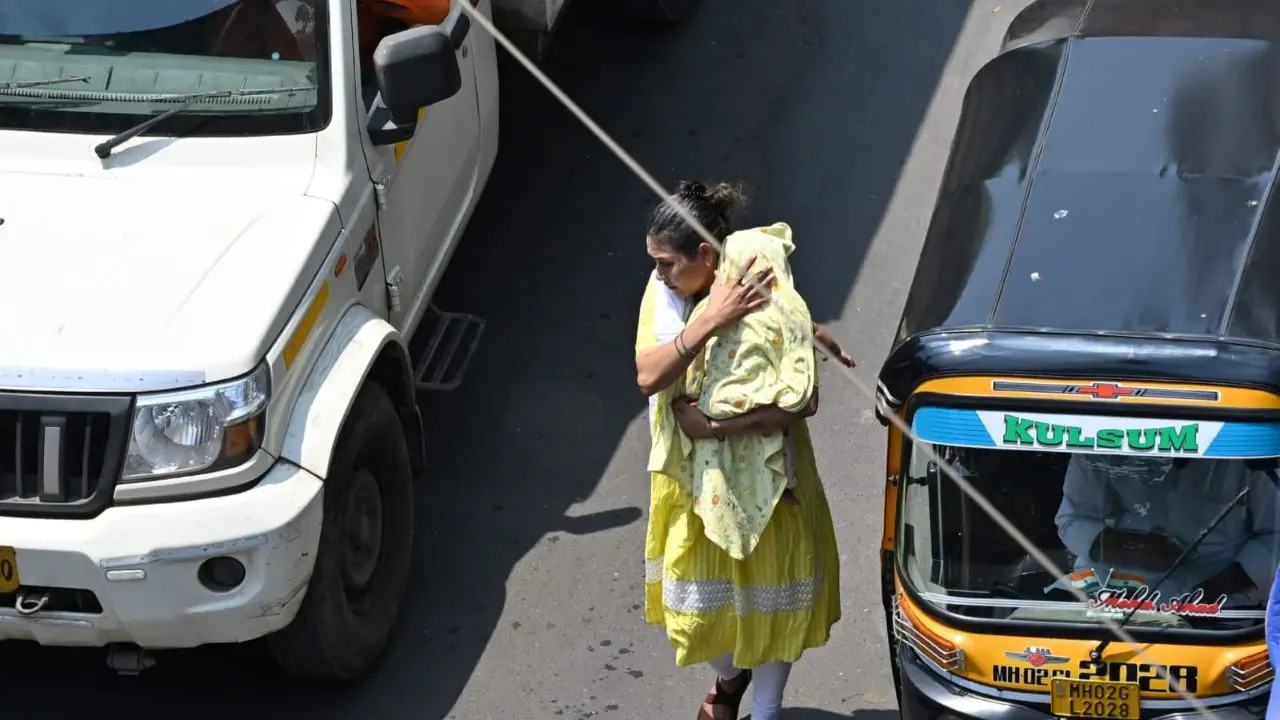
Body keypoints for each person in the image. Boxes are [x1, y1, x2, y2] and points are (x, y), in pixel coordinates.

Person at [635, 180, 850, 720]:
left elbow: (802, 400)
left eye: (667, 263)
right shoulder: (665, 296)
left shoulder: (759, 280)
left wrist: (718, 426)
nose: (660, 274)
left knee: (774, 596)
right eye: (656, 263)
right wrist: (713, 318)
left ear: (705, 255)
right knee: (695, 609)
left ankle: (768, 709)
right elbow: (649, 375)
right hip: (693, 481)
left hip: (773, 479)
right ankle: (731, 679)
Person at [1055, 454, 1280, 606]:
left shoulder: (1248, 452)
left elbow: (1275, 535)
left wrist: (1212, 591)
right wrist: (1137, 549)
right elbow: (1073, 519)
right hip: (1107, 595)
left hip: (1220, 606)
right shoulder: (1107, 436)